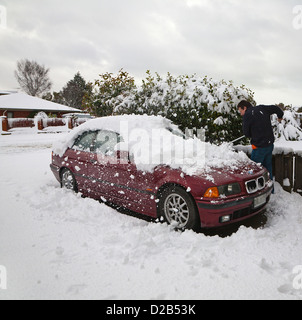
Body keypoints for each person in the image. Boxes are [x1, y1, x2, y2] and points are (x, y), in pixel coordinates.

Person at [237, 100, 284, 192]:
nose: (241, 114)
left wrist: (253, 132)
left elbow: (246, 133)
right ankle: (271, 190)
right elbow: (276, 109)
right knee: (268, 168)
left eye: (241, 111)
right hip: (269, 145)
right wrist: (280, 117)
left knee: (254, 171)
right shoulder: (262, 108)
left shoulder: (247, 115)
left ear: (245, 108)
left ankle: (256, 193)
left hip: (259, 147)